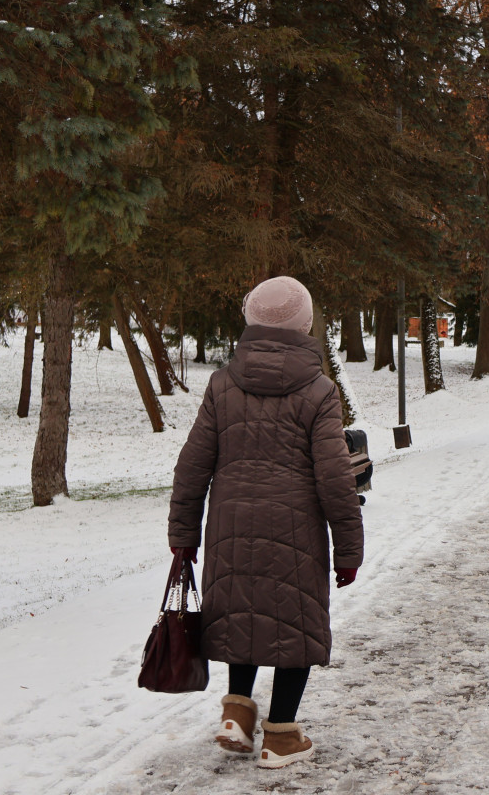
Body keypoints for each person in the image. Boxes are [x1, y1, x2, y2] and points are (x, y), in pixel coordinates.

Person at [168, 276, 364, 768]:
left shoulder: (222, 384)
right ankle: (281, 736)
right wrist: (348, 551)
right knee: (292, 627)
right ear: (306, 324)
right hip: (296, 528)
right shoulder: (319, 391)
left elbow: (192, 465)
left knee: (243, 612)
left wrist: (184, 535)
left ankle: (236, 713)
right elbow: (336, 478)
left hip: (230, 523)